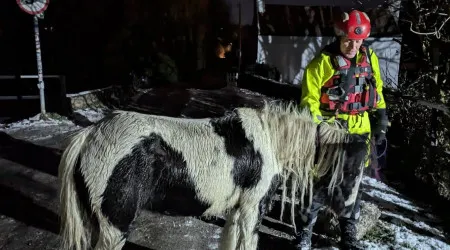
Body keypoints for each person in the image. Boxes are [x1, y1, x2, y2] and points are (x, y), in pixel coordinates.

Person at [294, 10, 389, 250]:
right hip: (331, 129)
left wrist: (381, 122)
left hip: (360, 130)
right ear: (339, 36)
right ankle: (304, 232)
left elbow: (376, 91)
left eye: (358, 41)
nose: (353, 46)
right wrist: (320, 129)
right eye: (348, 40)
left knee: (353, 185)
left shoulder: (370, 58)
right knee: (318, 183)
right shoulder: (323, 62)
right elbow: (309, 100)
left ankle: (348, 233)